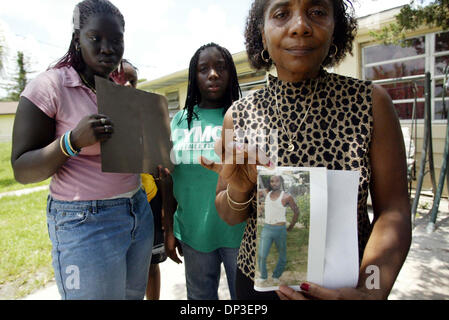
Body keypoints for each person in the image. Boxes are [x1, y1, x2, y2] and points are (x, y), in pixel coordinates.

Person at [201, 0, 411, 300]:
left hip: (346, 288)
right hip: (258, 285)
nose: (300, 26)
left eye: (316, 12)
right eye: (282, 13)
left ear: (334, 25)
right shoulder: (240, 114)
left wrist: (372, 289)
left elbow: (393, 212)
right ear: (262, 34)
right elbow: (230, 215)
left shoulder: (370, 104)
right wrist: (240, 188)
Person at [10, 0, 154, 300]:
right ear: (77, 39)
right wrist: (72, 141)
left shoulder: (116, 86)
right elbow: (22, 169)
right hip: (86, 222)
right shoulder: (50, 86)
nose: (107, 48)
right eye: (95, 38)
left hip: (137, 211)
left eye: (116, 40)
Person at [164, 43, 245, 300]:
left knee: (246, 300)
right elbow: (167, 175)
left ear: (231, 73)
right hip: (193, 233)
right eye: (204, 69)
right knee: (200, 301)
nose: (213, 74)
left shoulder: (244, 116)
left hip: (240, 234)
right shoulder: (180, 120)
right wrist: (168, 228)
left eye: (221, 67)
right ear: (193, 76)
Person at [114, 58, 167, 300]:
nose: (127, 86)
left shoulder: (148, 116)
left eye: (132, 80)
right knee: (120, 271)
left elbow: (161, 161)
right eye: (120, 79)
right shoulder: (98, 115)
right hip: (114, 205)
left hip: (149, 198)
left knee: (150, 264)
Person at [256, 175, 299, 286]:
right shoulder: (267, 194)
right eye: (272, 181)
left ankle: (276, 276)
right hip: (267, 228)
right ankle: (263, 276)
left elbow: (296, 211)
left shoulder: (286, 196)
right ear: (269, 183)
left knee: (282, 255)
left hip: (280, 229)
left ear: (281, 182)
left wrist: (291, 226)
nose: (274, 183)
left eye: (276, 181)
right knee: (262, 254)